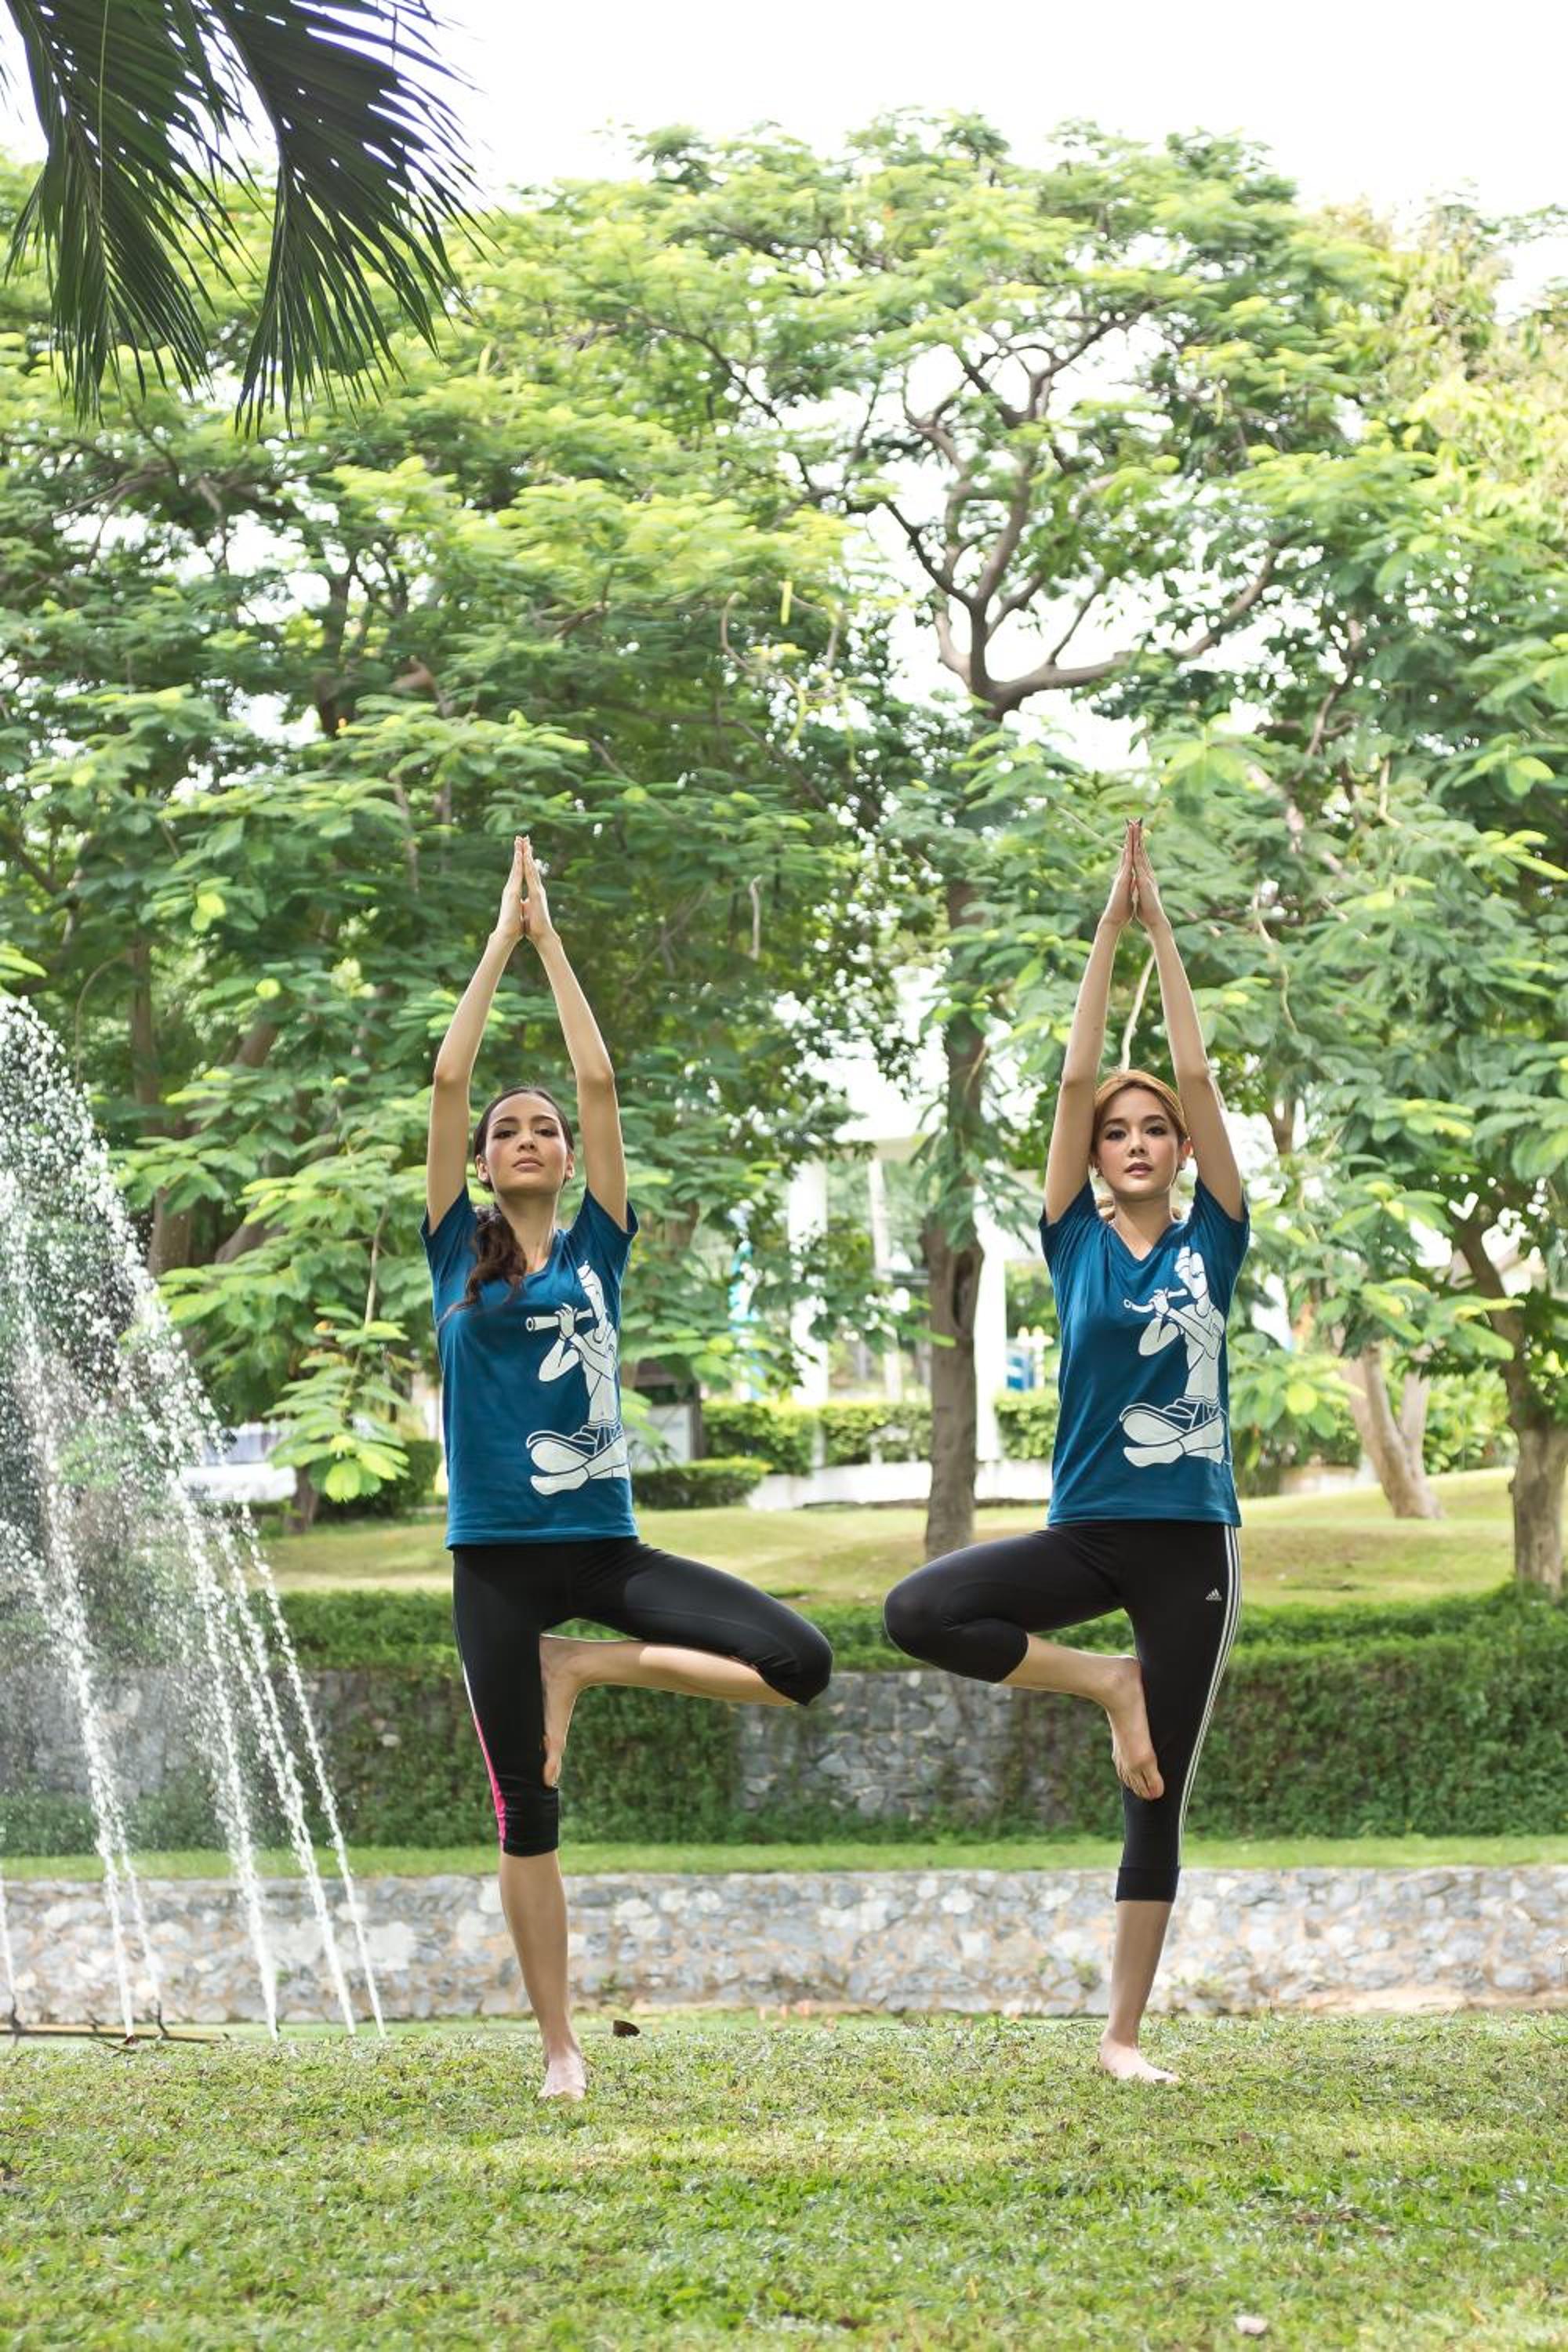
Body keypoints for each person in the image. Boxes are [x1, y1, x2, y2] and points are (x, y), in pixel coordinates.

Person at [423, 833, 833, 2100]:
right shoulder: (453, 1254)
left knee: (800, 1663)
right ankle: (559, 2047)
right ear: (483, 1163)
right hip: (497, 1567)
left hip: (607, 1554)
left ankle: (584, 1665)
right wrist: (497, 942)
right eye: (509, 1130)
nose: (529, 1136)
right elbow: (447, 1079)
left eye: (543, 1128)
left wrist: (551, 942)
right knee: (526, 1812)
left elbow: (600, 1082)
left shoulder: (599, 1245)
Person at [883, 821, 1249, 2083]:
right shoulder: (1074, 1241)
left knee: (1158, 1794)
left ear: (1182, 1152)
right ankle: (1106, 1684)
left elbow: (1196, 1074)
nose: (1136, 1139)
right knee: (920, 1611)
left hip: (1192, 1544)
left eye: (1155, 1130)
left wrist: (1165, 938)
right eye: (1117, 1132)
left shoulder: (1215, 1239)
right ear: (1094, 1157)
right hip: (1088, 1529)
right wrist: (1107, 932)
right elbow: (1073, 1077)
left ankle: (1122, 2037)